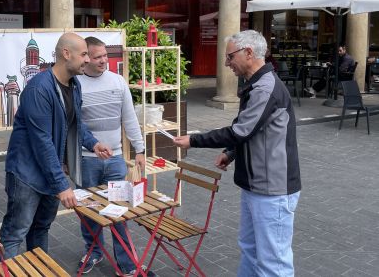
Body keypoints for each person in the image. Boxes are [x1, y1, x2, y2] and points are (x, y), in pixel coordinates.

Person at [173, 30, 301, 277]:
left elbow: (240, 131)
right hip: (256, 186)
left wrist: (194, 140)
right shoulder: (257, 86)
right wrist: (231, 152)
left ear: (249, 53)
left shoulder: (266, 88)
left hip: (272, 189)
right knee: (251, 250)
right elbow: (252, 130)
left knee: (273, 263)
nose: (226, 63)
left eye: (230, 56)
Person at [0, 33, 113, 260]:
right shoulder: (38, 89)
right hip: (26, 175)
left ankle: (38, 270)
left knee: (41, 228)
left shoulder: (74, 84)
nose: (88, 60)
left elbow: (74, 123)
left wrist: (93, 143)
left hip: (51, 173)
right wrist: (62, 185)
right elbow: (42, 142)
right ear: (66, 54)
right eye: (83, 55)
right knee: (15, 233)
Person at [76, 36, 148, 276]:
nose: (104, 61)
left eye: (105, 55)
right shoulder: (75, 85)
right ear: (85, 58)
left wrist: (140, 150)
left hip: (116, 160)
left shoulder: (118, 82)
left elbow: (129, 118)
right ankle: (93, 251)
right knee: (88, 211)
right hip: (86, 160)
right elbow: (72, 126)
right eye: (98, 57)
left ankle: (126, 263)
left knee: (119, 211)